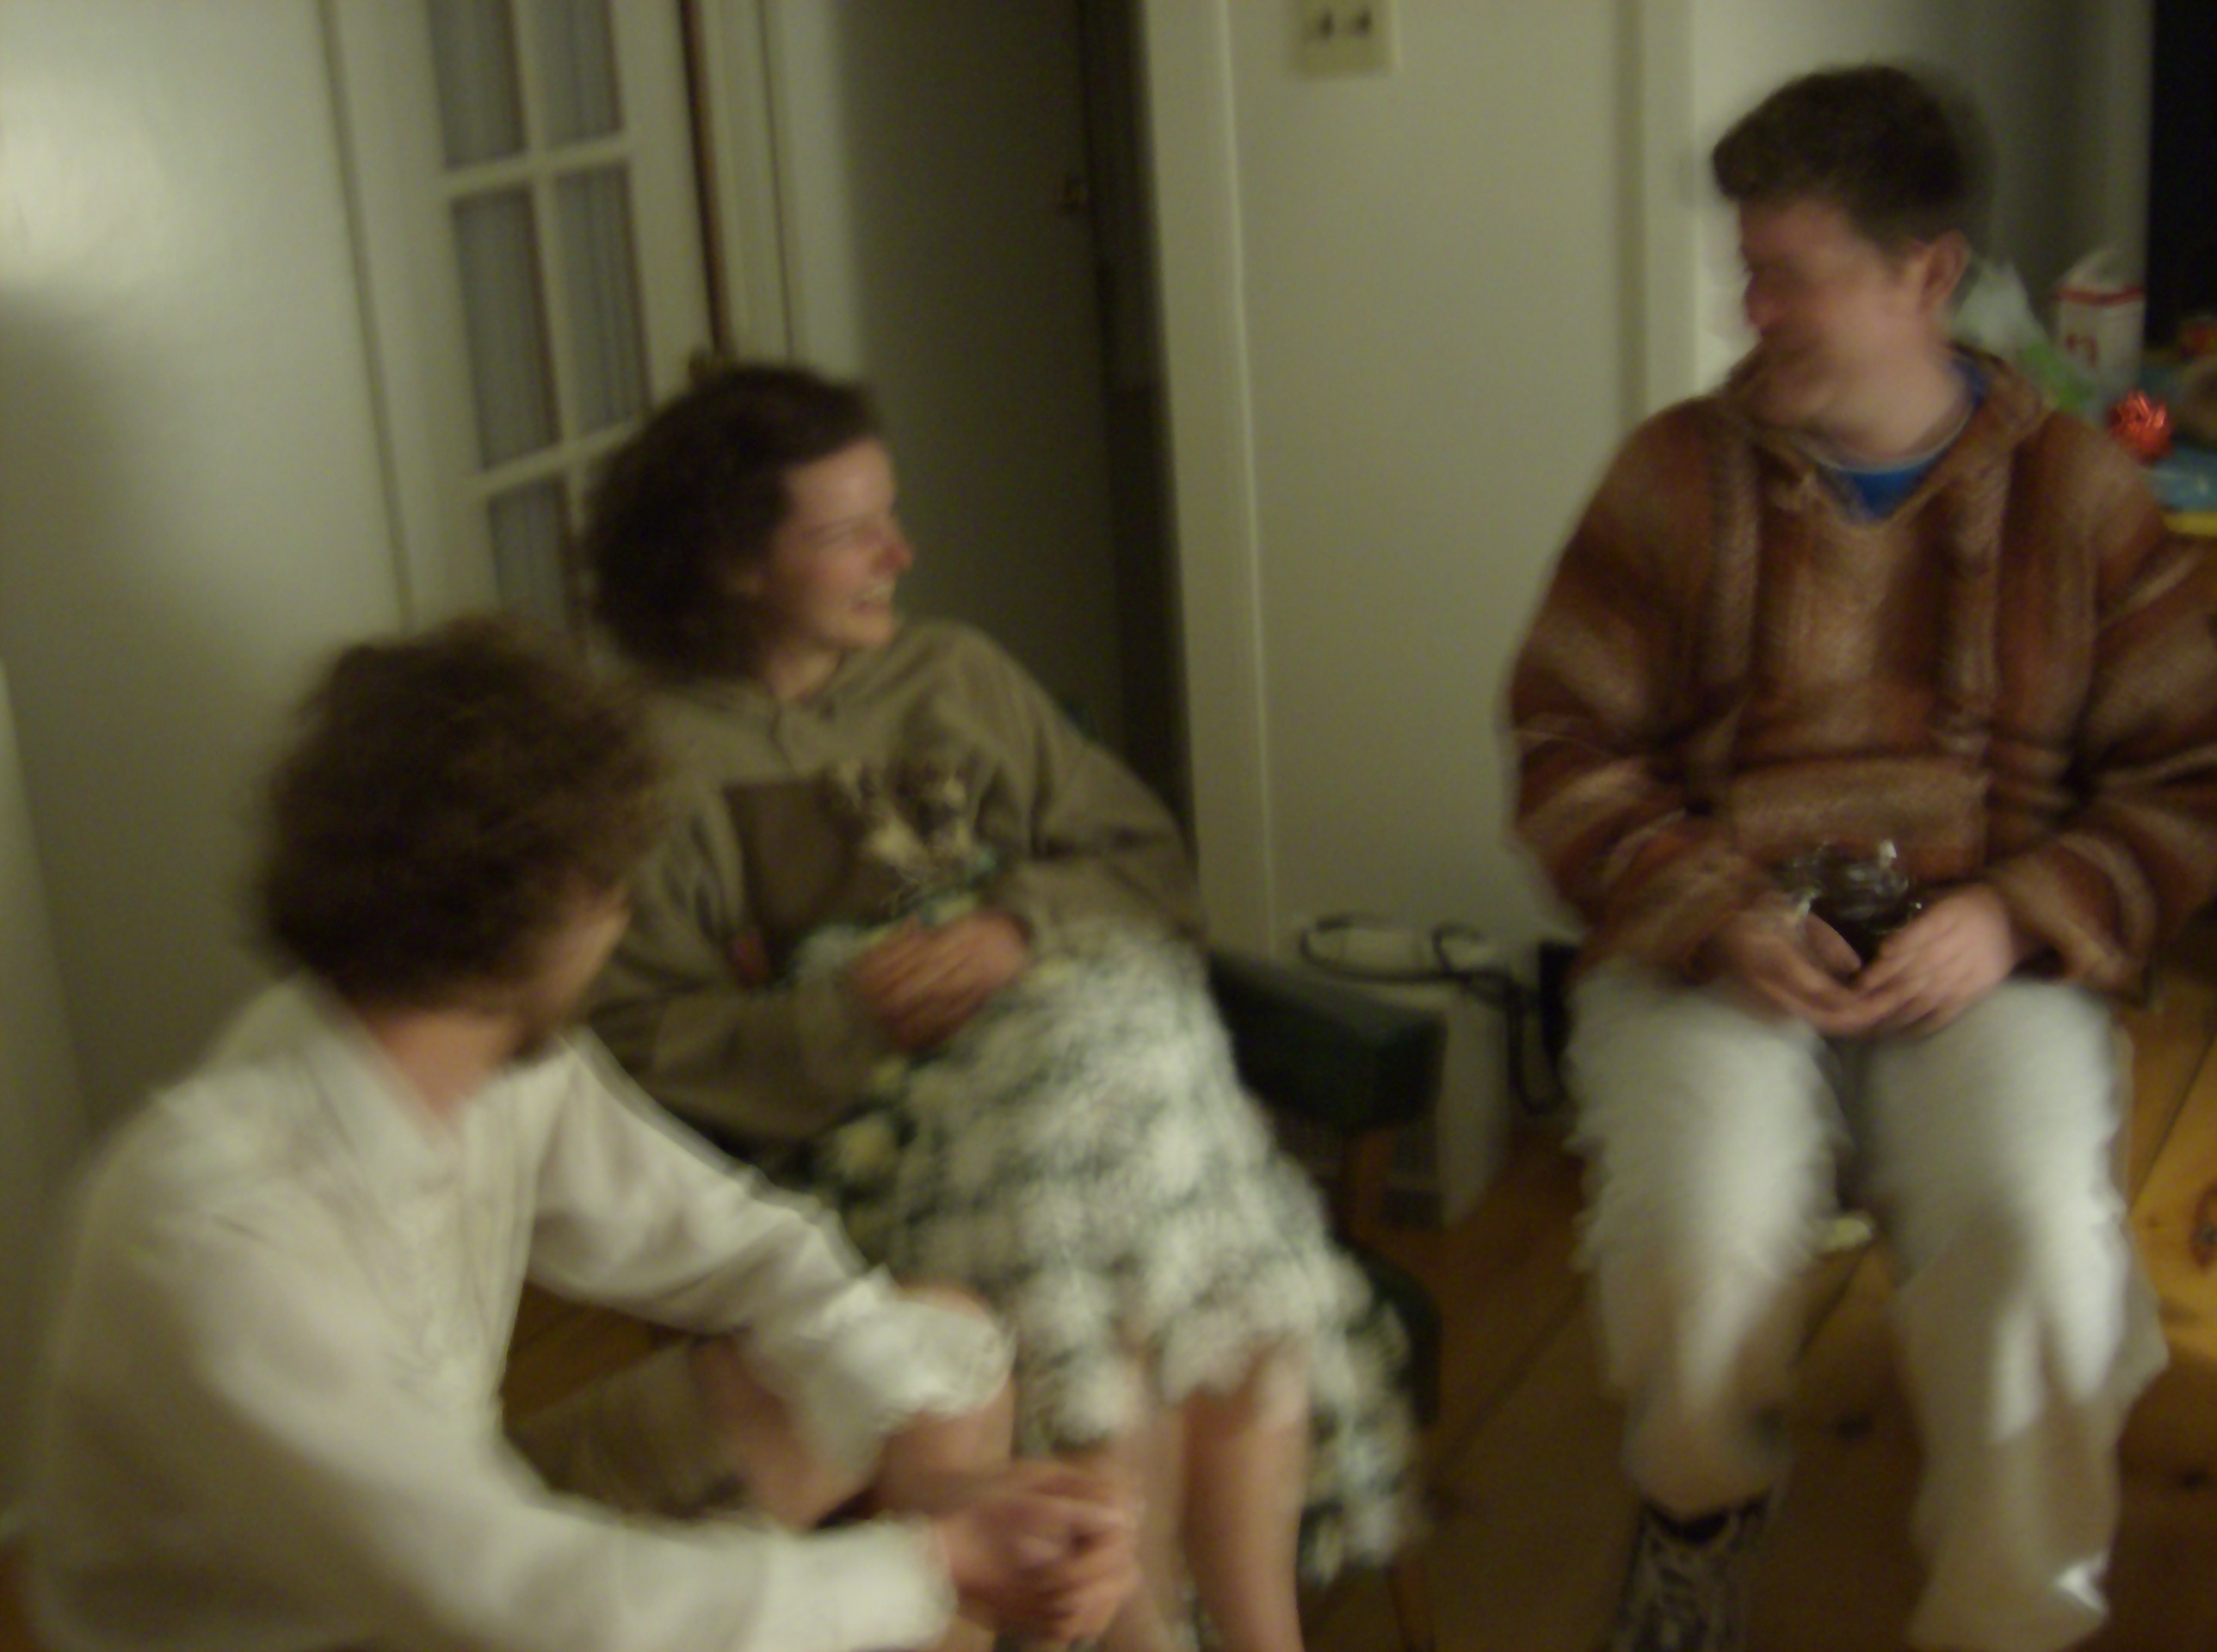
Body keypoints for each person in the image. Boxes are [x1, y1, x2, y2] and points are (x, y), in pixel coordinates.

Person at [28, 616, 1137, 1652]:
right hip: (340, 1625)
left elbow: (729, 1241)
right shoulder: (215, 1229)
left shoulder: (490, 1051)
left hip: (461, 1536)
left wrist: (931, 1478)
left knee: (934, 1344)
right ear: (565, 900)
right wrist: (933, 1563)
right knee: (884, 1547)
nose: (623, 919)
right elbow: (522, 1596)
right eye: (619, 890)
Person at [1510, 64, 2217, 1652]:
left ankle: (2009, 1619)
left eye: (1789, 276)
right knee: (1693, 1243)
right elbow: (1563, 743)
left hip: (1983, 956)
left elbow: (2188, 779)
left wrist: (2016, 915)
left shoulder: (2079, 496)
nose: (1750, 310)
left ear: (1927, 273)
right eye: (1747, 270)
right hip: (1723, 948)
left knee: (2038, 1250)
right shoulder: (1677, 476)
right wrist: (1713, 914)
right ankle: (1700, 1513)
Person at [583, 364, 1411, 1652]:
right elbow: (639, 1048)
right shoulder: (649, 764)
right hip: (858, 1154)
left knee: (1116, 1099)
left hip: (1088, 1082)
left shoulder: (957, 677)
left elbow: (1144, 863)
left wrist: (1018, 927)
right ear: (736, 564)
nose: (900, 554)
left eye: (891, 514)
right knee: (1201, 1270)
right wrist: (852, 1013)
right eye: (851, 531)